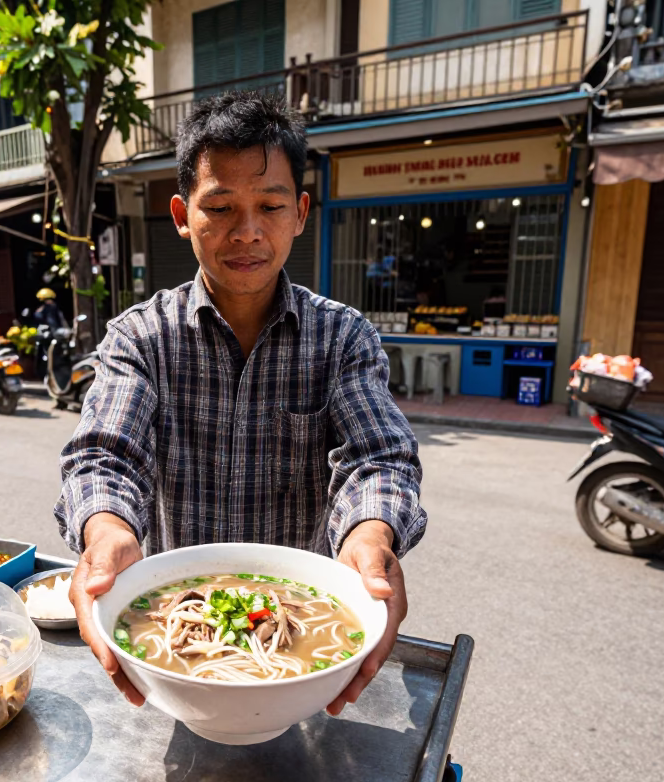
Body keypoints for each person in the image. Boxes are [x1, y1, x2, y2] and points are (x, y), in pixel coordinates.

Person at [55, 91, 426, 711]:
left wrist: (371, 534)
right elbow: (104, 457)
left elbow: (379, 458)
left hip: (299, 637)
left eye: (271, 206)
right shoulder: (139, 336)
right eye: (220, 207)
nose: (247, 232)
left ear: (301, 212)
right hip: (178, 636)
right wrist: (107, 529)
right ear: (181, 214)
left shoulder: (342, 336)